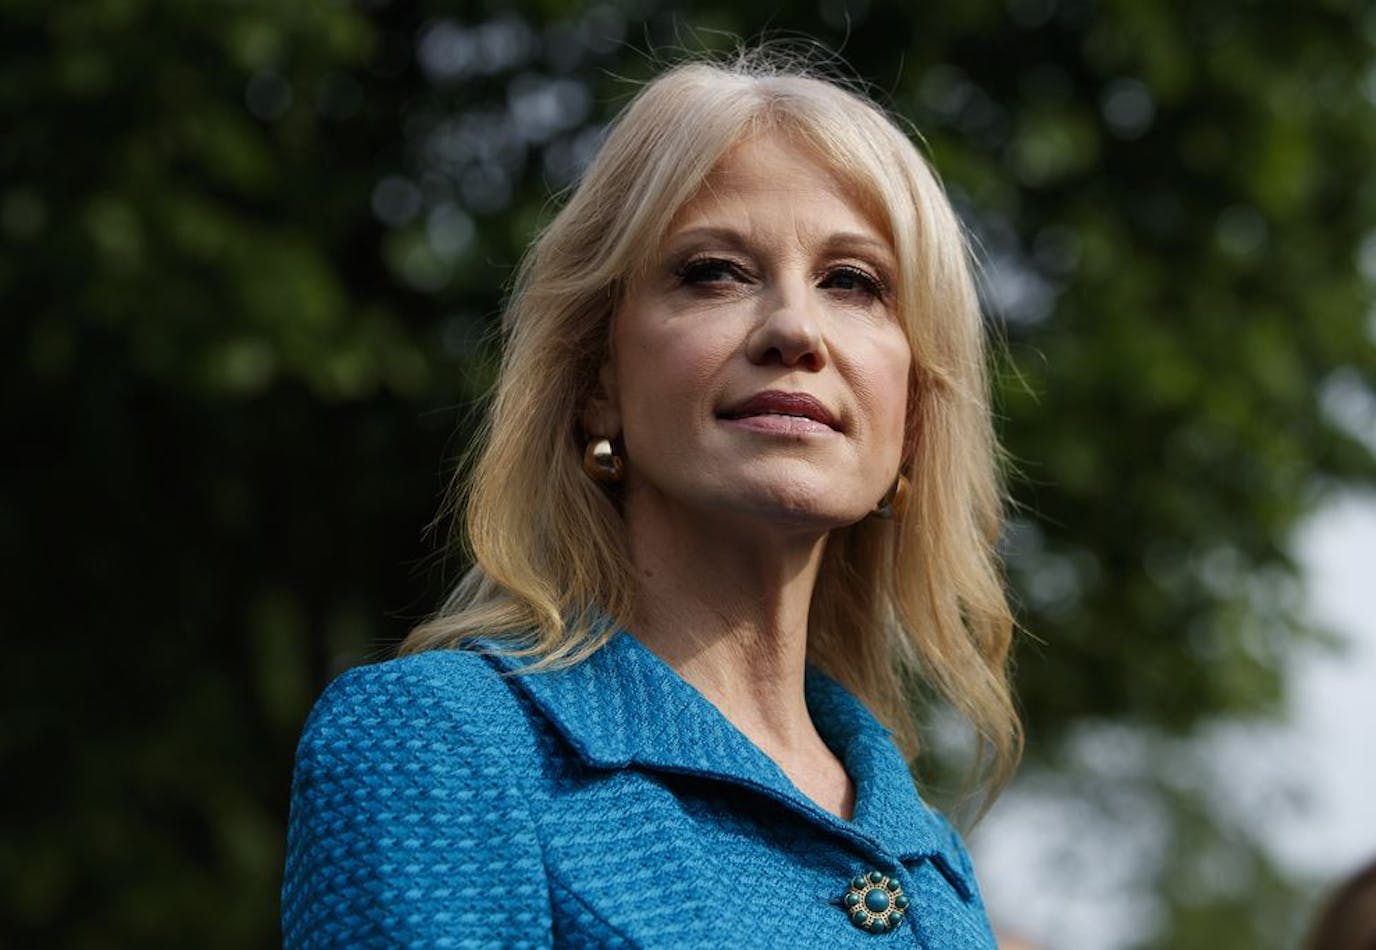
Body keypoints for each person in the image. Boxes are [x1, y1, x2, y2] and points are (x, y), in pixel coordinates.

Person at [283, 50, 1021, 947]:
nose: (794, 327)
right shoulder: (440, 747)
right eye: (714, 271)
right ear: (597, 380)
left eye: (853, 283)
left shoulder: (936, 866)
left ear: (911, 415)